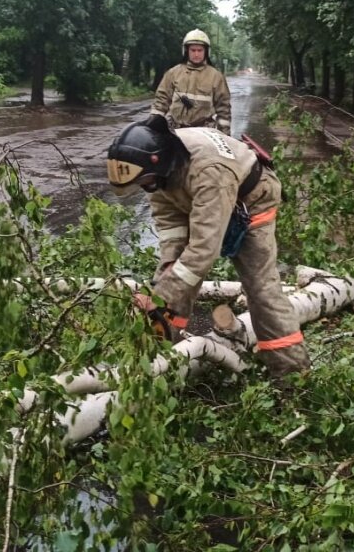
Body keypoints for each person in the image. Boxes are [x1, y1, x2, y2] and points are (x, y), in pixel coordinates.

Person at [106, 115, 309, 379]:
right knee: (174, 278)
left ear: (160, 163)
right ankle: (163, 360)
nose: (145, 188)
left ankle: (291, 372)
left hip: (252, 199)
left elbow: (204, 250)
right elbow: (170, 226)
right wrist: (165, 278)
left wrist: (162, 295)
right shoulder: (156, 171)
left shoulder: (209, 172)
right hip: (200, 195)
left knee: (261, 289)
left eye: (145, 183)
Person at [151, 28, 232, 135]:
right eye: (193, 50)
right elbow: (161, 102)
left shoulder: (216, 77)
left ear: (206, 51)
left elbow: (224, 109)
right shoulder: (173, 73)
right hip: (175, 131)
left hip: (204, 133)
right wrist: (152, 125)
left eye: (200, 50)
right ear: (186, 51)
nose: (196, 54)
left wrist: (225, 135)